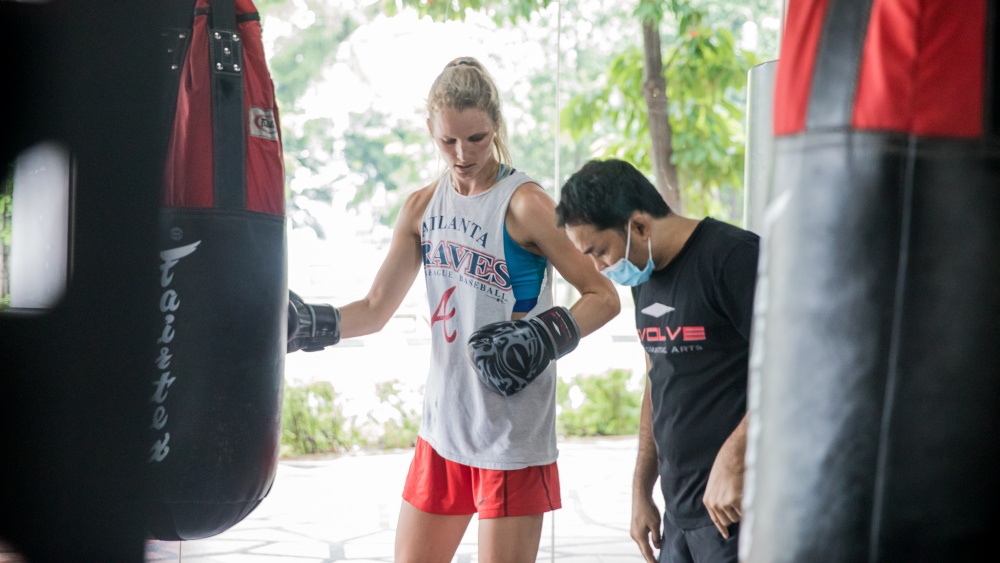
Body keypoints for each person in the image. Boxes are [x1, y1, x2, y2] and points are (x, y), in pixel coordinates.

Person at [287, 57, 620, 562]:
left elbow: (605, 297)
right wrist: (309, 324)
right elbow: (375, 309)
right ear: (431, 130)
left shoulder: (525, 205)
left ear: (496, 128)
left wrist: (542, 336)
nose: (463, 154)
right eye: (449, 141)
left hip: (510, 436)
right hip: (443, 428)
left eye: (477, 139)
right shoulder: (422, 208)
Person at [554, 158, 758, 563]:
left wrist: (736, 457)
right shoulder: (643, 276)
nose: (599, 268)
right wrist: (641, 488)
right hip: (679, 515)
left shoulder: (734, 257)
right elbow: (657, 376)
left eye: (599, 252)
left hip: (735, 509)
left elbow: (791, 373)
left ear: (640, 226)